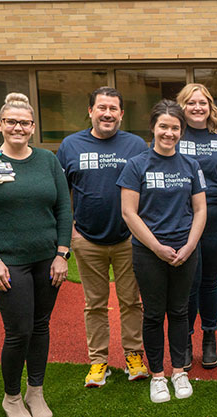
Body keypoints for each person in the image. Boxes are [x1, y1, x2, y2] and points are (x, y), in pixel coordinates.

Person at [0, 93, 72, 417]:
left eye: (24, 122)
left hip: (48, 260)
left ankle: (35, 392)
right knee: (19, 330)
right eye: (11, 121)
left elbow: (64, 209)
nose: (18, 127)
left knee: (40, 326)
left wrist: (62, 253)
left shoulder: (48, 161)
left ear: (33, 127)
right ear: (0, 124)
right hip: (8, 263)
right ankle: (11, 397)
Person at [57, 87, 149, 387]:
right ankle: (98, 362)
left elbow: (147, 191)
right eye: (101, 107)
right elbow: (60, 194)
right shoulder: (71, 145)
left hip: (127, 240)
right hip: (86, 239)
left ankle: (134, 356)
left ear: (122, 113)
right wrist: (69, 232)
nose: (107, 113)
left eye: (113, 108)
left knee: (131, 302)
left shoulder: (136, 145)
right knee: (94, 304)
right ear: (90, 111)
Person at [117, 100, 207, 403]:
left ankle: (179, 371)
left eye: (175, 128)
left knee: (180, 312)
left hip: (185, 251)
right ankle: (157, 375)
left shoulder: (191, 165)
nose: (169, 133)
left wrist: (190, 245)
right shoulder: (136, 165)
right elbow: (129, 213)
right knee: (154, 314)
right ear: (153, 128)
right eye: (164, 127)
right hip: (148, 252)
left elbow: (200, 208)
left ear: (181, 131)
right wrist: (156, 247)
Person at [175, 84, 217, 371]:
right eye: (191, 103)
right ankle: (185, 339)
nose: (197, 108)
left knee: (211, 280)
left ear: (210, 106)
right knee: (190, 280)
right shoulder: (174, 134)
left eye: (203, 103)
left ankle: (209, 337)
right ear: (182, 106)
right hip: (184, 218)